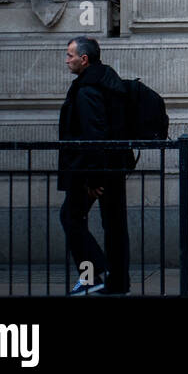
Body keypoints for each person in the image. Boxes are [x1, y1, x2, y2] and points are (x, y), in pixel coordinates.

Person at [58, 36, 131, 295]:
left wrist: (93, 179)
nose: (67, 60)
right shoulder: (108, 82)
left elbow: (94, 135)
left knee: (71, 217)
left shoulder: (87, 89)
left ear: (84, 59)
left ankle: (91, 276)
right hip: (113, 166)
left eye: (70, 55)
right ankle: (118, 284)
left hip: (91, 170)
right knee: (114, 225)